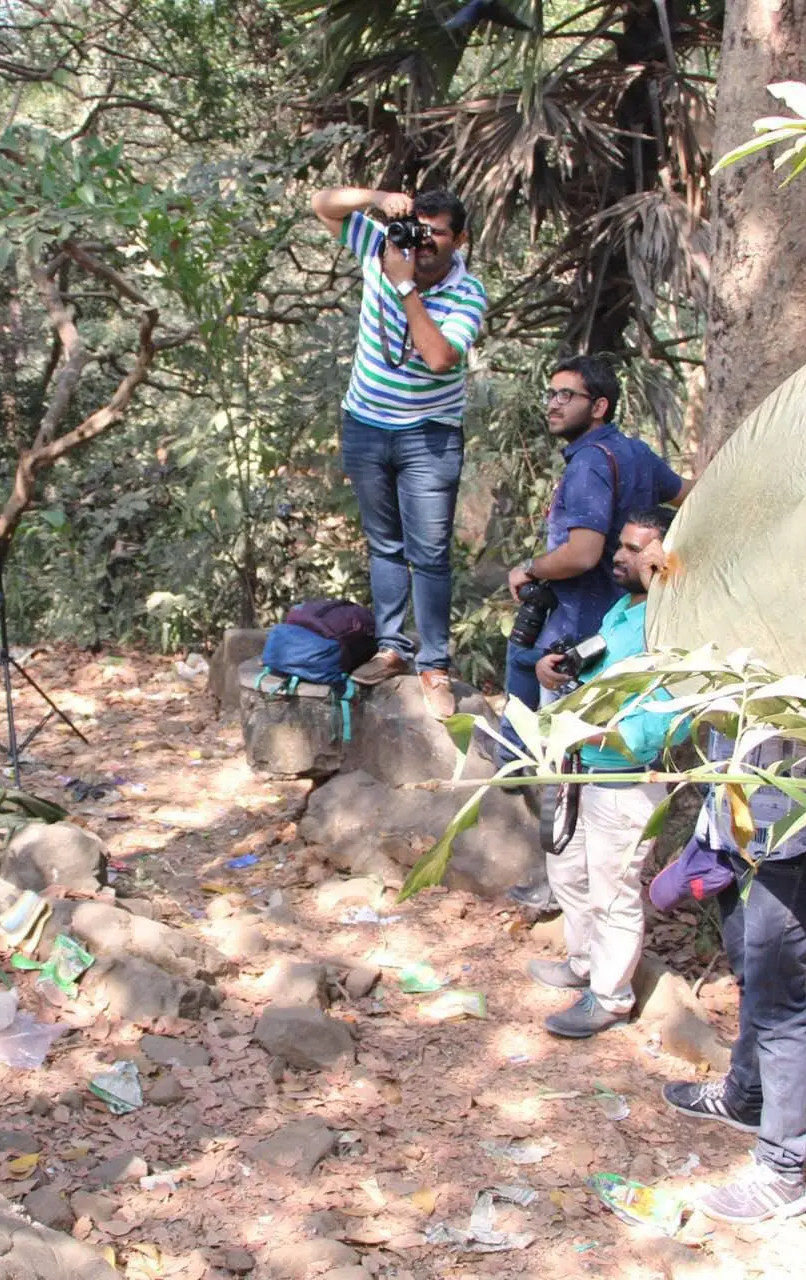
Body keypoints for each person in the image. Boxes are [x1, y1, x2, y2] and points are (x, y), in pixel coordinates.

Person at [505, 355, 688, 914]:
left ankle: (561, 884)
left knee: (561, 755)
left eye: (568, 394)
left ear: (599, 406)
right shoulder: (634, 452)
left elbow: (583, 552)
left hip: (583, 627)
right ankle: (577, 881)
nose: (554, 403)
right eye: (551, 392)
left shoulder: (589, 461)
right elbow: (687, 497)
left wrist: (531, 568)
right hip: (629, 624)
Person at [311, 185, 489, 719]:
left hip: (429, 434)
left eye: (438, 232)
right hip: (365, 423)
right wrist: (379, 198)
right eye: (420, 228)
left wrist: (404, 285)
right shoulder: (381, 242)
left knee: (430, 553)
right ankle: (392, 648)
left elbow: (438, 358)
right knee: (383, 544)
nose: (424, 241)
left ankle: (434, 663)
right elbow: (322, 204)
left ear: (459, 239)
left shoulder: (468, 292)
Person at [661, 730, 806, 1222]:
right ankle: (745, 1096)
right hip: (730, 828)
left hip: (793, 838)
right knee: (751, 973)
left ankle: (782, 1169)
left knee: (778, 1005)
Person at [526, 506, 688, 1038]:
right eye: (621, 544)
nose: (619, 555)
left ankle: (611, 997)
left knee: (613, 891)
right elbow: (593, 670)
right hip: (582, 768)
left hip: (625, 776)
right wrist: (555, 672)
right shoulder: (624, 608)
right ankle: (584, 964)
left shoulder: (675, 625)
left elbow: (667, 719)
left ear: (666, 556)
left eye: (635, 548)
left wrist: (597, 733)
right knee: (569, 871)